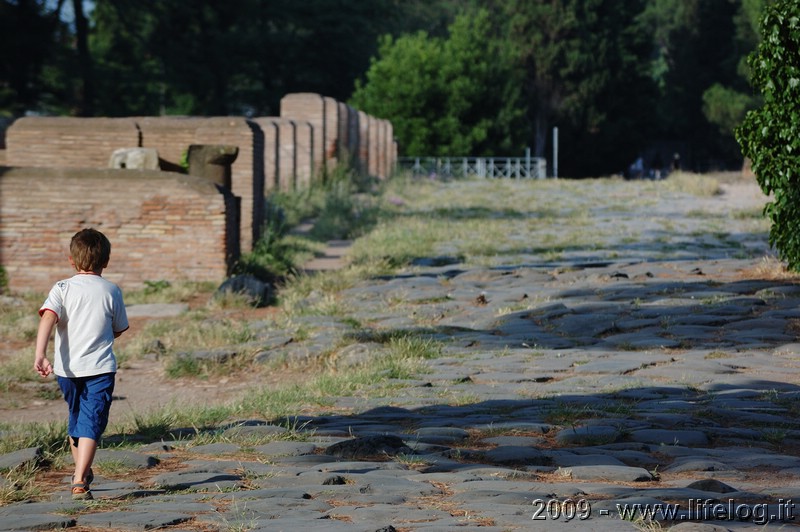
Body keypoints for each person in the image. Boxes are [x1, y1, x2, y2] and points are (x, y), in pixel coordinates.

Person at [34, 228, 129, 500]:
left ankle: (81, 473)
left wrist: (40, 354)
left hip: (66, 370)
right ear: (106, 261)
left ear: (71, 260)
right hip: (100, 368)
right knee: (91, 421)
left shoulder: (61, 288)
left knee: (77, 419)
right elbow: (119, 328)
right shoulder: (112, 290)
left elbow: (48, 318)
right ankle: (79, 479)